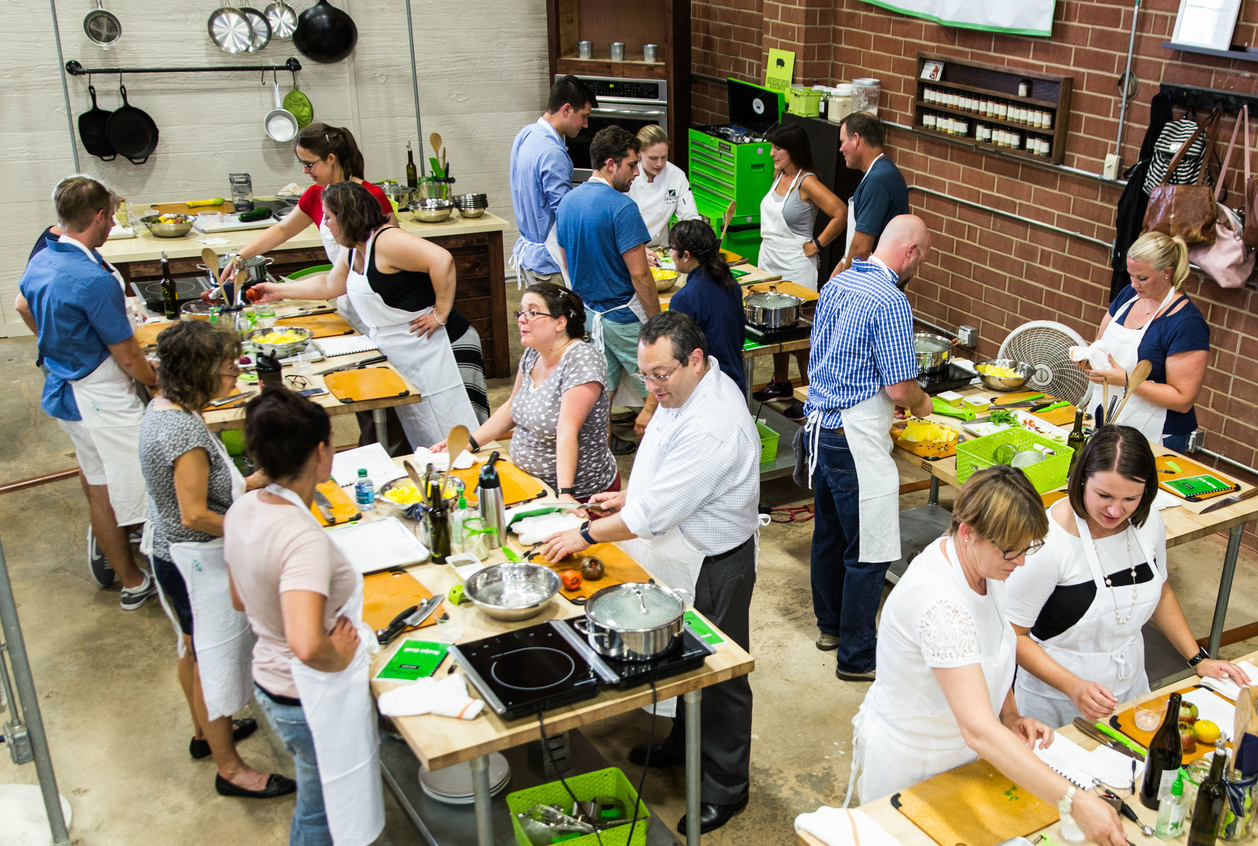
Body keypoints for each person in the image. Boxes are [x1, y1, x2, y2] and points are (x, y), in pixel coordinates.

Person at [539, 312, 760, 835]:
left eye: (661, 375)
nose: (652, 387)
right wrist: (629, 495)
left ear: (696, 360)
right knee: (683, 660)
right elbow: (664, 474)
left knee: (720, 674)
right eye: (645, 375)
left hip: (714, 564)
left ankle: (726, 786)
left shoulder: (713, 424)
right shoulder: (682, 390)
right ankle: (683, 744)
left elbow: (656, 513)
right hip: (683, 548)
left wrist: (585, 534)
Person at [845, 466, 1127, 846]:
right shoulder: (939, 604)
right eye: (1011, 550)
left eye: (1028, 548)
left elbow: (995, 645)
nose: (1021, 561)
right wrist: (1074, 801)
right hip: (915, 764)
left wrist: (1009, 714)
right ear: (968, 533)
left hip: (965, 755)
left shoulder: (984, 565)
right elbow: (978, 729)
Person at [231, 123, 489, 442]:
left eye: (328, 218)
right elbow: (330, 286)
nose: (324, 225)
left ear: (347, 215)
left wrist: (441, 312)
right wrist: (277, 291)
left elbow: (442, 259)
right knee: (427, 437)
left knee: (465, 436)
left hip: (444, 349)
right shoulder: (353, 247)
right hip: (407, 348)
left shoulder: (386, 241)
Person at [138, 321, 293, 799]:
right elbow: (195, 513)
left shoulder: (166, 408)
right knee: (212, 658)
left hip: (170, 551)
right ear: (200, 370)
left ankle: (206, 733)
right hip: (191, 560)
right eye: (229, 366)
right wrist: (255, 531)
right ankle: (231, 770)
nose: (235, 374)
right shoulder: (182, 432)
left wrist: (256, 481)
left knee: (191, 647)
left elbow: (207, 488)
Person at [1006, 425, 1249, 728]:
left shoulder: (1148, 523)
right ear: (1081, 480)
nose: (1114, 510)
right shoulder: (1046, 542)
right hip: (1056, 700)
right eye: (1104, 495)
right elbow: (1012, 635)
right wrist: (1072, 686)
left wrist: (1198, 660)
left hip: (1131, 686)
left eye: (1130, 499)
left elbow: (1161, 591)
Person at [226, 387, 384, 846]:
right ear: (320, 451)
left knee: (322, 797)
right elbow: (306, 643)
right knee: (322, 813)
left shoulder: (244, 507)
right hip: (308, 692)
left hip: (270, 678)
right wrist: (341, 656)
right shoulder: (302, 538)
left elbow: (239, 599)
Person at [799, 215, 933, 681]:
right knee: (870, 550)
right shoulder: (891, 300)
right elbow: (900, 388)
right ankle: (857, 658)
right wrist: (922, 403)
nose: (918, 268)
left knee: (830, 537)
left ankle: (831, 628)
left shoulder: (839, 280)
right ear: (910, 252)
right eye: (921, 259)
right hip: (853, 439)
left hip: (821, 427)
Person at [15, 175, 157, 610]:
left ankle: (131, 581)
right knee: (148, 483)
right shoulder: (92, 279)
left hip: (66, 387)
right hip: (102, 397)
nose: (113, 224)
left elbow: (23, 306)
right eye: (111, 217)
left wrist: (56, 342)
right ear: (98, 216)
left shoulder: (43, 258)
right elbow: (128, 356)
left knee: (99, 485)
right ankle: (161, 568)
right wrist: (157, 379)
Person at [432, 283, 618, 504]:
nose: (521, 319)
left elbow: (567, 429)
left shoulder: (582, 361)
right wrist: (469, 443)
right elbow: (512, 406)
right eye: (521, 312)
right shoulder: (533, 352)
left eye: (532, 312)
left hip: (578, 492)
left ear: (560, 322)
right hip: (530, 482)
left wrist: (565, 493)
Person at [556, 125, 661, 454]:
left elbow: (566, 262)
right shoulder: (621, 207)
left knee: (601, 392)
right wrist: (657, 320)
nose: (637, 173)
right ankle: (659, 457)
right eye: (632, 165)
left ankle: (599, 456)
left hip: (590, 314)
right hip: (625, 317)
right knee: (659, 389)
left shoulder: (567, 203)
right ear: (610, 164)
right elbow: (640, 275)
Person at [751, 122, 847, 412]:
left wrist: (818, 244)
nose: (771, 153)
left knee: (801, 335)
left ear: (793, 149)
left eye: (777, 148)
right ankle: (780, 382)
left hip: (796, 266)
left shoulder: (807, 182)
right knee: (774, 327)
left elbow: (840, 212)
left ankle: (810, 396)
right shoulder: (778, 174)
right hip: (769, 261)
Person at [1082, 231, 1208, 452]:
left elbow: (1183, 399)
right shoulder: (1128, 297)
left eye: (1142, 278)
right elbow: (1100, 345)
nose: (1134, 284)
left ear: (1166, 272)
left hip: (1156, 434)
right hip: (1109, 420)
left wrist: (1127, 381)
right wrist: (1090, 360)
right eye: (1131, 276)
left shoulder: (1186, 323)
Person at [633, 220, 746, 434]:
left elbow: (671, 359)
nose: (670, 254)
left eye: (672, 249)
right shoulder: (730, 282)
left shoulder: (685, 298)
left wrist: (649, 409)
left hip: (705, 392)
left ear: (686, 255)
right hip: (734, 382)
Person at [510, 74, 597, 286]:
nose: (586, 124)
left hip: (530, 259)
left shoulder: (526, 134)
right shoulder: (553, 153)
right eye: (584, 116)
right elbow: (565, 215)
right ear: (566, 109)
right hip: (550, 265)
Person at [827, 112, 910, 279]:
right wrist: (843, 261)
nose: (841, 149)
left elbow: (861, 248)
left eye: (843, 141)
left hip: (873, 281)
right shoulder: (881, 172)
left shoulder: (877, 181)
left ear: (856, 139)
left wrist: (843, 282)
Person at [628, 124, 700, 252]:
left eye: (664, 157)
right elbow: (617, 226)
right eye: (653, 158)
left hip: (661, 250)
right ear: (639, 153)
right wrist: (637, 250)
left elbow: (690, 219)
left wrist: (699, 241)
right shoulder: (628, 177)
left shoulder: (676, 176)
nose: (659, 164)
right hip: (631, 248)